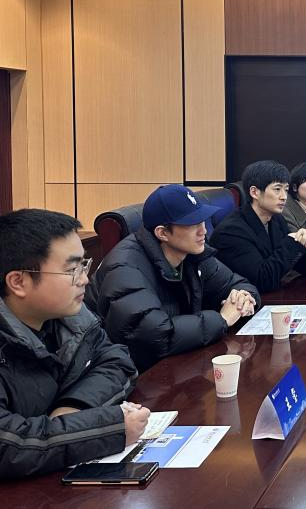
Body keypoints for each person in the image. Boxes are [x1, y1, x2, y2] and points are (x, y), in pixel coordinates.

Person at [0, 209, 149, 478]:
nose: (84, 279)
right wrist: (108, 429)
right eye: (71, 270)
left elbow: (116, 361)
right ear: (18, 282)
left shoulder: (70, 318)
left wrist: (75, 407)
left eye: (83, 265)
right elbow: (9, 445)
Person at [91, 184, 261, 372]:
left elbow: (237, 284)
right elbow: (155, 335)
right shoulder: (125, 268)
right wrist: (222, 320)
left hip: (178, 363)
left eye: (203, 221)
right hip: (129, 373)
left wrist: (244, 299)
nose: (203, 231)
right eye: (193, 224)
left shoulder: (193, 253)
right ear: (162, 233)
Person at [211, 160, 306, 293]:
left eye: (286, 190)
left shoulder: (276, 220)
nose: (284, 197)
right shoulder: (231, 232)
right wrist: (292, 242)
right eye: (277, 189)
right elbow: (262, 281)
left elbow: (305, 268)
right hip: (247, 301)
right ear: (255, 192)